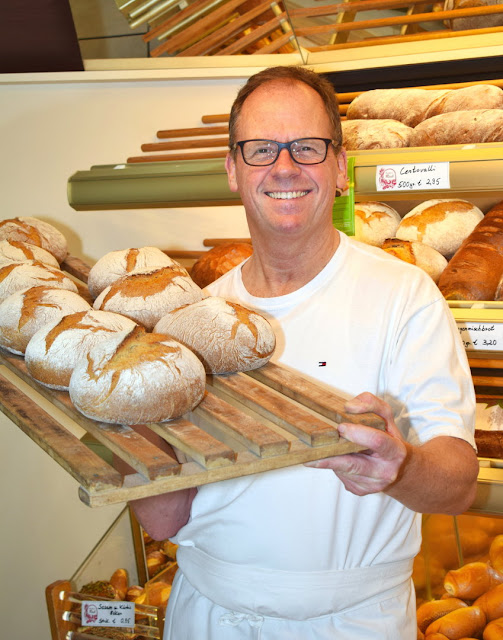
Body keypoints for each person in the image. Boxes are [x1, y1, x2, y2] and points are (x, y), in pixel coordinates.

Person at [129, 66, 479, 639]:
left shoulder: (403, 296)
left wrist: (402, 468)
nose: (284, 167)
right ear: (233, 170)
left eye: (307, 147)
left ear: (340, 168)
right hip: (211, 618)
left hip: (352, 624)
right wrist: (122, 428)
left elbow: (460, 484)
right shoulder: (192, 322)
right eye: (262, 149)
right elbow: (168, 518)